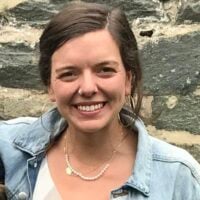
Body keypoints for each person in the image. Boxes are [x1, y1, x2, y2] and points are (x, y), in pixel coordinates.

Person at [0, 1, 200, 199]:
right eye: (69, 73)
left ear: (128, 80)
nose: (88, 88)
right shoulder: (10, 148)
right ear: (50, 86)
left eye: (105, 70)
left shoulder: (178, 178)